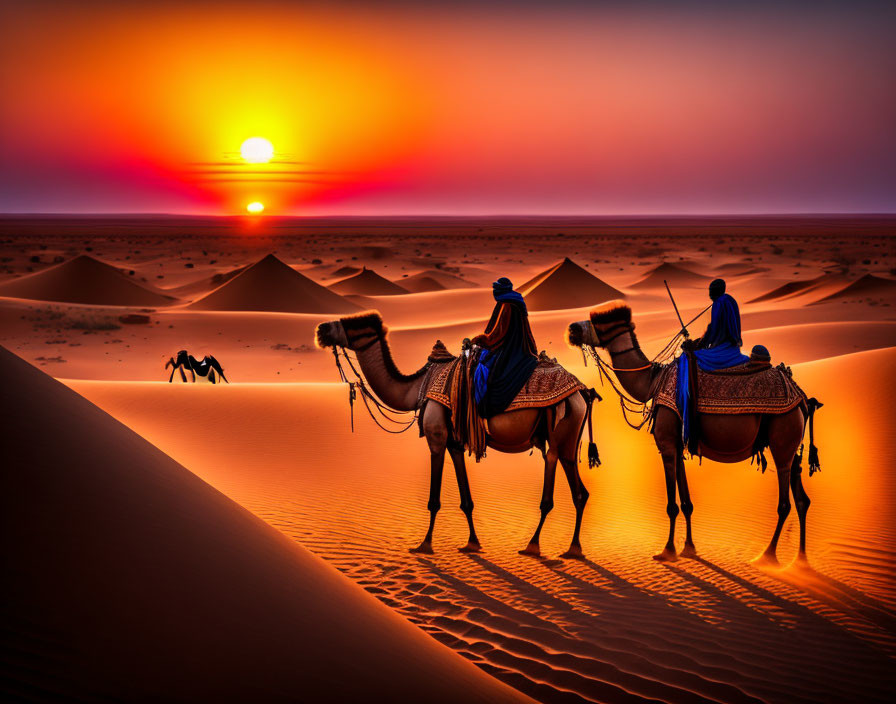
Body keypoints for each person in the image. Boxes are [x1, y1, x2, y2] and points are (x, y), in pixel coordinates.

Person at [677, 278, 750, 449]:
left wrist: (698, 344)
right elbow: (714, 329)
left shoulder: (720, 303)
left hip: (722, 350)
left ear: (716, 290)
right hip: (731, 348)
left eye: (711, 290)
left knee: (690, 359)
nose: (709, 293)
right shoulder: (730, 301)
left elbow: (714, 330)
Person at [472, 277, 538, 418]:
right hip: (518, 346)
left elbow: (499, 333)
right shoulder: (515, 301)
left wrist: (482, 340)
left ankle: (483, 409)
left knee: (482, 370)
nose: (494, 292)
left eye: (496, 289)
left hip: (510, 348)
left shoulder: (507, 305)